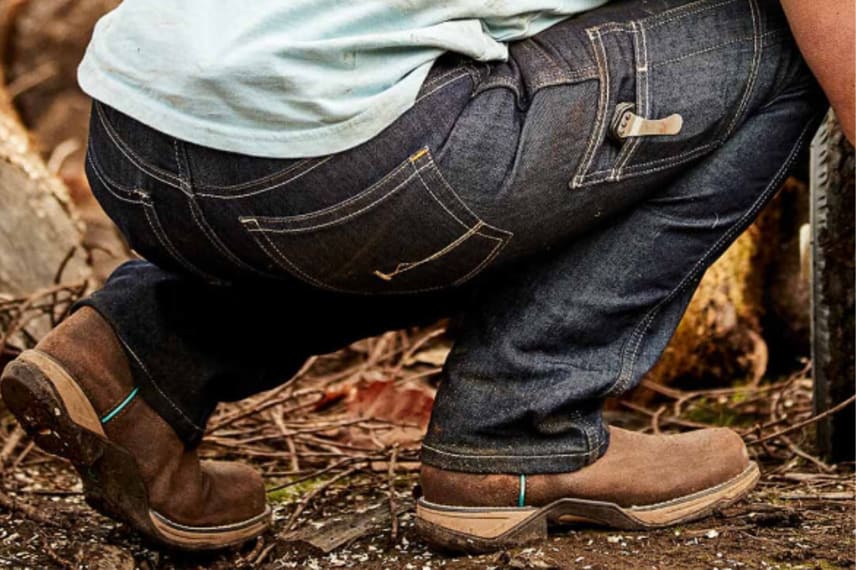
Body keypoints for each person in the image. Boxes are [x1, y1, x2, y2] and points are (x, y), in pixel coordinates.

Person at [0, 0, 848, 553]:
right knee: (781, 41)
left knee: (459, 142)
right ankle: (523, 427)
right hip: (339, 168)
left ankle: (141, 357)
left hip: (133, 130)